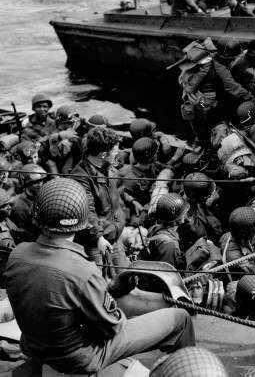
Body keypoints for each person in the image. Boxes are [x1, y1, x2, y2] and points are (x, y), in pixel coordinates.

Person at [5, 178, 196, 374]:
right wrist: (111, 296)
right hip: (78, 357)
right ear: (81, 220)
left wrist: (108, 291)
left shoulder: (17, 254)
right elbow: (113, 327)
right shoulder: (83, 270)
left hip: (35, 346)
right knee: (180, 318)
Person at [174, 37, 255, 145]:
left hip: (212, 101)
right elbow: (230, 89)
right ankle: (204, 142)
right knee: (205, 128)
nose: (234, 60)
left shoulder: (215, 59)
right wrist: (252, 98)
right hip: (203, 106)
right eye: (232, 58)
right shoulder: (209, 70)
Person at [71, 126, 127, 267]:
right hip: (95, 243)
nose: (117, 153)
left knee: (122, 279)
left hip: (114, 234)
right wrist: (98, 238)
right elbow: (87, 211)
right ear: (103, 154)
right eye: (115, 150)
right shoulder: (80, 177)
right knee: (100, 283)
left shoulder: (105, 165)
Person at [147, 193, 189, 270]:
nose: (186, 214)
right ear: (178, 218)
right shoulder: (169, 244)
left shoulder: (154, 228)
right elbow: (167, 275)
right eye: (183, 213)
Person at [9, 163, 47, 244]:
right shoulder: (20, 208)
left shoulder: (41, 196)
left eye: (41, 181)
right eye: (36, 182)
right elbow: (23, 236)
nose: (40, 185)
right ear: (27, 184)